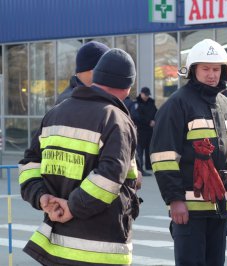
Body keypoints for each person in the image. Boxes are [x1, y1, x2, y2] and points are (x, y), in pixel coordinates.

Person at [18, 48, 140, 266]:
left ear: (96, 77)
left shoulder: (56, 112)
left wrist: (41, 197)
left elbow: (29, 164)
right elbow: (109, 178)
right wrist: (72, 207)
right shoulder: (116, 119)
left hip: (56, 247)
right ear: (128, 86)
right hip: (101, 249)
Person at [149, 39, 227, 266]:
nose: (212, 75)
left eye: (216, 69)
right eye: (206, 69)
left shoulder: (225, 103)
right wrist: (174, 200)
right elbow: (163, 157)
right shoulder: (177, 104)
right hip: (189, 209)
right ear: (193, 70)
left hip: (219, 205)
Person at [135, 87, 157, 176]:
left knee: (149, 149)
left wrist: (154, 120)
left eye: (148, 95)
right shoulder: (136, 104)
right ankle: (140, 168)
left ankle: (149, 166)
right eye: (145, 95)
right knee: (140, 150)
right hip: (141, 130)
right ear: (141, 93)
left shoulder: (151, 102)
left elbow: (156, 112)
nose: (147, 97)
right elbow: (138, 117)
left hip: (149, 130)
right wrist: (149, 121)